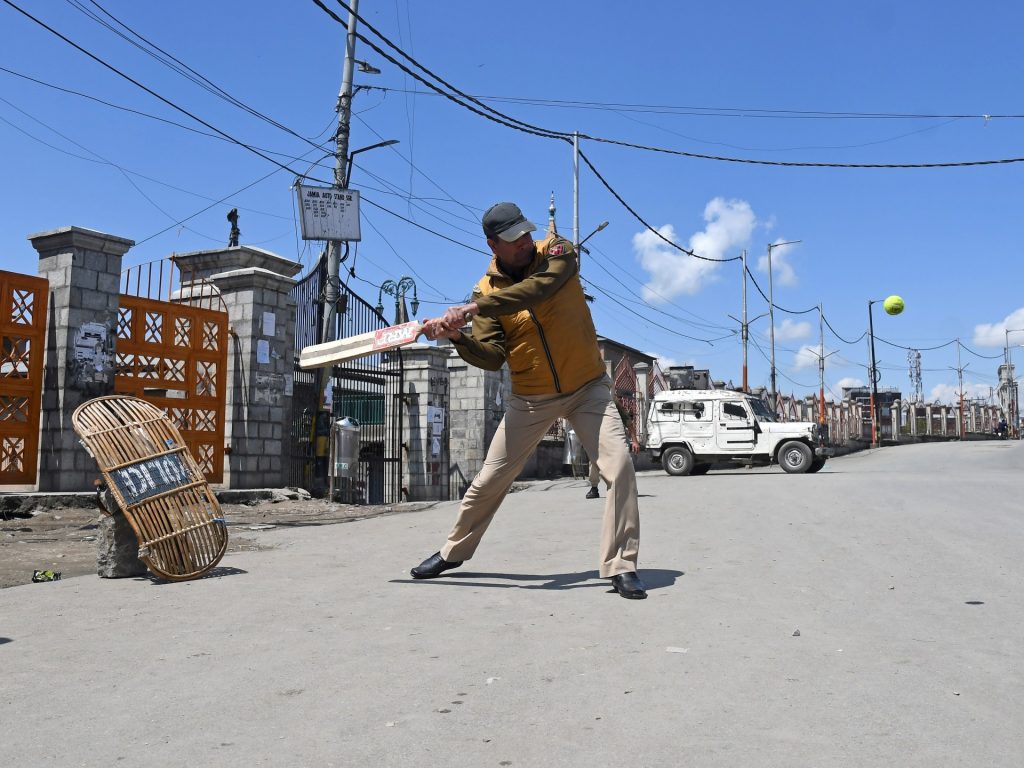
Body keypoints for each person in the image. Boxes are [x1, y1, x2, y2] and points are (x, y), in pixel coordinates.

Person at [411, 201, 646, 599]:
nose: (523, 242)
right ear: (492, 245)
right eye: (512, 239)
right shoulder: (484, 290)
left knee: (620, 466)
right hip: (532, 397)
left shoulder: (558, 251)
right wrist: (457, 336)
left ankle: (621, 566)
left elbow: (540, 289)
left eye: (524, 233)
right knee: (490, 478)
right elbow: (491, 357)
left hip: (588, 387)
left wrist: (471, 310)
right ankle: (454, 551)